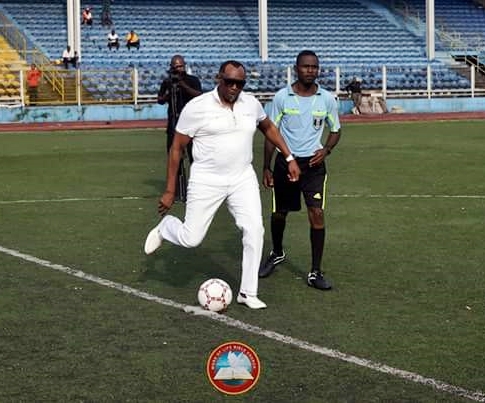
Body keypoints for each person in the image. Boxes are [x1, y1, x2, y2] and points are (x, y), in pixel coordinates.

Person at [144, 60, 301, 310]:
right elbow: (176, 148)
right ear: (219, 78)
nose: (234, 87)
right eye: (230, 82)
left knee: (254, 230)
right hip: (207, 180)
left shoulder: (251, 103)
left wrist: (289, 156)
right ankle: (166, 228)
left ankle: (248, 292)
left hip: (242, 178)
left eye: (240, 83)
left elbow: (268, 127)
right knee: (191, 238)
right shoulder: (197, 107)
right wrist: (170, 190)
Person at [259, 50, 341, 291]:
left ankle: (315, 271)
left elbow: (335, 130)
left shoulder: (326, 99)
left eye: (314, 67)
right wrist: (266, 167)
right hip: (286, 164)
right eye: (305, 66)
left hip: (314, 167)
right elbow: (270, 134)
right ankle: (276, 252)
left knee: (316, 214)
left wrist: (326, 150)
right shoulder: (282, 97)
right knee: (279, 213)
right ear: (296, 68)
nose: (310, 70)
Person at [157, 55, 202, 201]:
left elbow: (199, 96)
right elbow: (160, 100)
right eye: (175, 67)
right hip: (173, 126)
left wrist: (183, 86)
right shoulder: (167, 82)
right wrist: (168, 94)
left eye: (181, 66)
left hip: (192, 127)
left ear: (185, 66)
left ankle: (197, 189)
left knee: (195, 159)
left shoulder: (192, 80)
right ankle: (175, 191)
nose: (178, 69)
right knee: (174, 158)